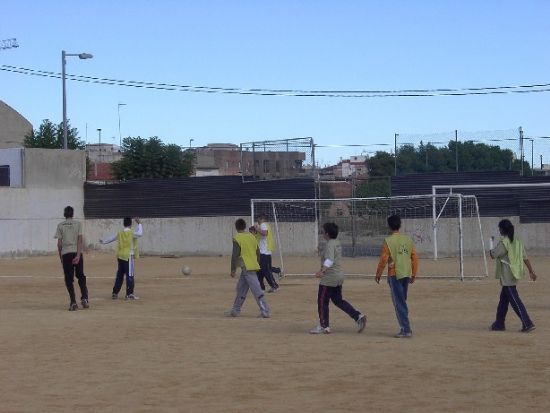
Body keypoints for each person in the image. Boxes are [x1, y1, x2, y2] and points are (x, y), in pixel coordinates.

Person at [310, 222, 366, 334]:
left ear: (327, 233)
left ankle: (324, 325)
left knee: (322, 301)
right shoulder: (337, 243)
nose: (322, 233)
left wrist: (322, 271)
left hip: (329, 278)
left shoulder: (330, 244)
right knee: (338, 300)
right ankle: (358, 316)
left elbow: (329, 259)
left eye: (323, 231)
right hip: (338, 276)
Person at [489, 219, 536, 333]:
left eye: (499, 228)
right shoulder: (517, 241)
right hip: (514, 273)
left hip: (507, 275)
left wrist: (490, 246)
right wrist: (531, 271)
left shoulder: (504, 242)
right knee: (503, 301)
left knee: (515, 301)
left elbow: (493, 255)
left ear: (502, 230)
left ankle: (527, 323)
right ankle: (499, 323)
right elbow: (525, 257)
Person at [375, 215, 418, 338]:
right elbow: (415, 258)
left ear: (389, 226)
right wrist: (414, 274)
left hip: (395, 275)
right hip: (406, 274)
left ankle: (406, 329)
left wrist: (378, 274)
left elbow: (383, 260)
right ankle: (406, 326)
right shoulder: (408, 240)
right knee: (402, 300)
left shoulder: (388, 241)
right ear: (400, 225)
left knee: (399, 302)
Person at [225, 218, 271, 318]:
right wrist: (256, 262)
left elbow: (235, 255)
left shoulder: (237, 238)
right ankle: (235, 310)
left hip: (247, 267)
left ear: (236, 228)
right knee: (241, 288)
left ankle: (266, 311)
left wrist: (233, 269)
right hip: (252, 266)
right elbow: (257, 252)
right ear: (245, 227)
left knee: (257, 290)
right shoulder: (251, 236)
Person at [54, 206, 89, 311]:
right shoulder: (78, 224)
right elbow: (80, 240)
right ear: (72, 214)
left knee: (69, 279)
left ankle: (73, 302)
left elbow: (59, 244)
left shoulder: (60, 225)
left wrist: (61, 257)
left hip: (66, 254)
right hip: (76, 252)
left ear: (65, 214)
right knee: (81, 276)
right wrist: (78, 255)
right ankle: (85, 298)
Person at [100, 217, 143, 300]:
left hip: (120, 256)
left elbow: (111, 238)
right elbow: (140, 233)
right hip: (128, 256)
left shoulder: (120, 233)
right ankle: (129, 294)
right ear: (130, 224)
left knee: (120, 275)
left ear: (124, 224)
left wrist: (103, 241)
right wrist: (139, 223)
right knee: (130, 275)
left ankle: (115, 293)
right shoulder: (131, 233)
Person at [254, 214, 279, 293]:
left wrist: (257, 229)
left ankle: (274, 285)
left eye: (257, 219)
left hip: (264, 252)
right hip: (263, 252)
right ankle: (261, 287)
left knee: (266, 270)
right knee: (259, 271)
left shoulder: (263, 225)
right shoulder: (264, 225)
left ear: (261, 219)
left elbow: (264, 233)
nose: (256, 220)